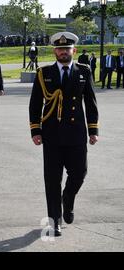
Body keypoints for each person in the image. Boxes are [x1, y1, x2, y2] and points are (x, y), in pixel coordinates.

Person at [29, 32, 99, 237]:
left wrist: (93, 130)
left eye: (67, 49)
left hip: (77, 134)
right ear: (55, 51)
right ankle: (54, 221)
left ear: (73, 51)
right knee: (52, 180)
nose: (63, 52)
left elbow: (91, 102)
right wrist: (35, 130)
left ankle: (67, 199)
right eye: (60, 49)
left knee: (79, 174)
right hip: (52, 134)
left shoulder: (84, 72)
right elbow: (35, 104)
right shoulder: (44, 73)